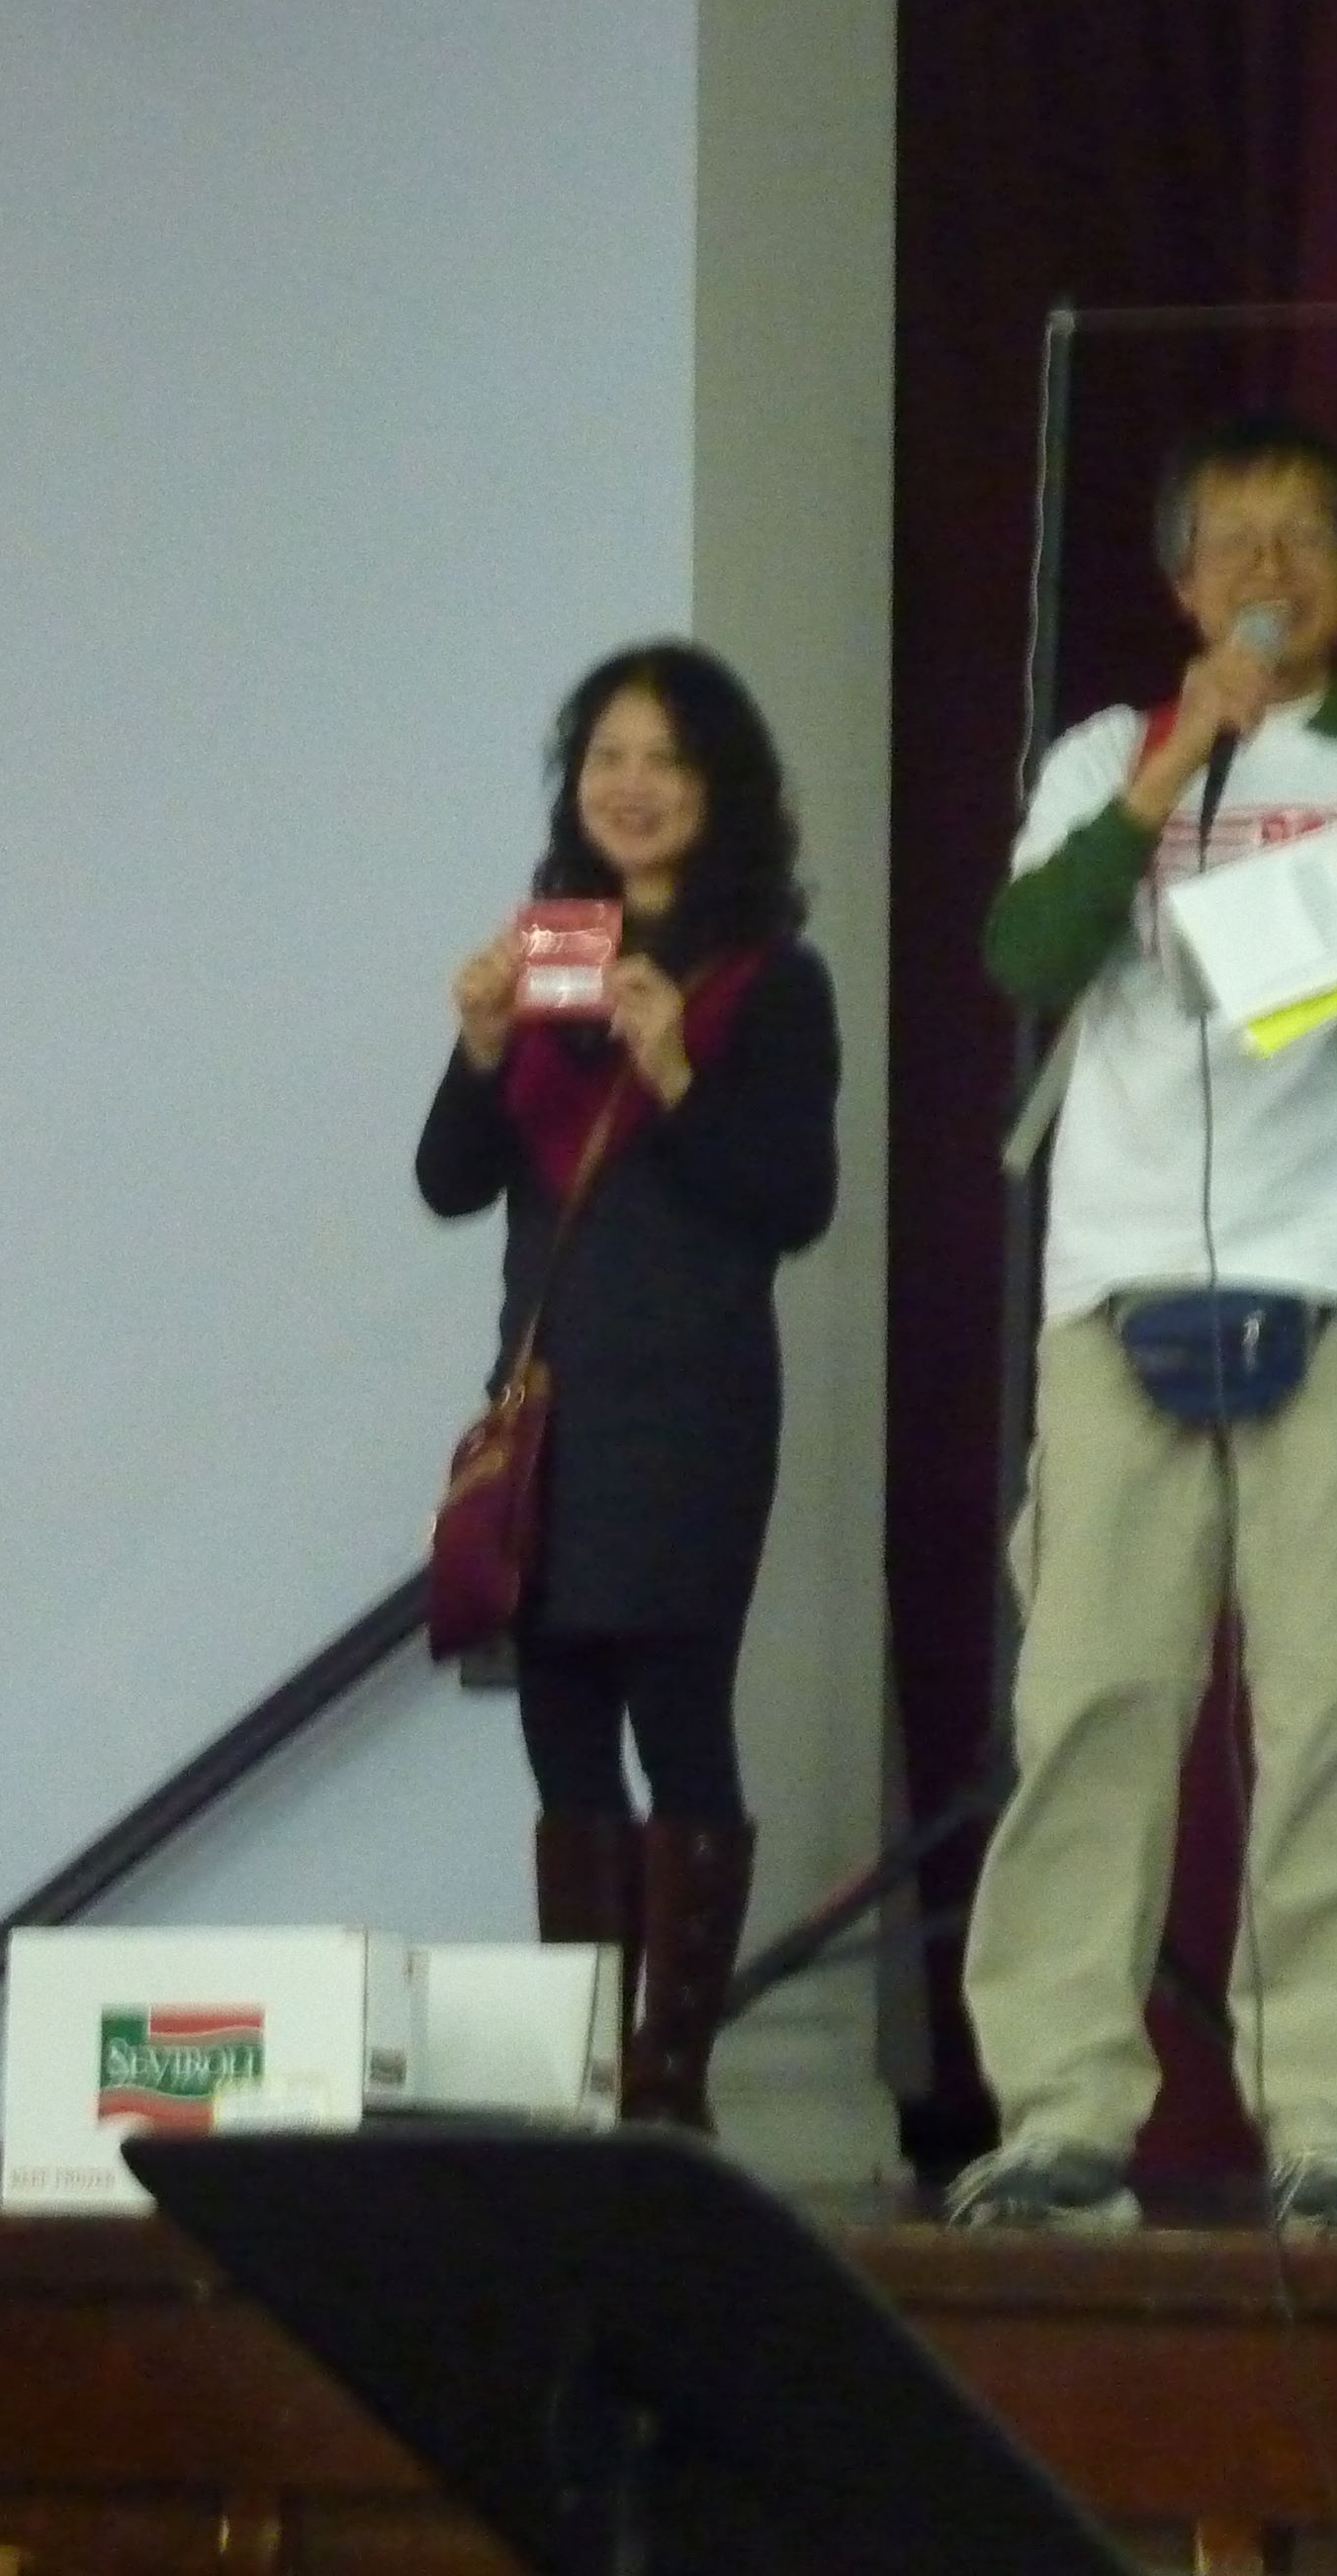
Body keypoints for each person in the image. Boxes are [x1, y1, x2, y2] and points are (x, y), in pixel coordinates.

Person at [946, 413, 1337, 2238]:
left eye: (1303, 539)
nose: (1267, 572)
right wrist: (1167, 778)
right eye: (1232, 541)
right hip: (1122, 1278)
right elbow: (1024, 958)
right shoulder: (1102, 756)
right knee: (1090, 1697)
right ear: (1179, 583)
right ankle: (1061, 2113)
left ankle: (1333, 2130)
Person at [416, 639, 840, 2134]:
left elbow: (791, 1200)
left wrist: (674, 1069)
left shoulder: (770, 980)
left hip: (691, 1409)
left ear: (720, 789)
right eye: (608, 757)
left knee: (680, 1715)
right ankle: (585, 2075)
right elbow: (448, 1182)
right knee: (562, 1728)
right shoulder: (552, 958)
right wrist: (481, 1047)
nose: (633, 785)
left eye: (666, 760)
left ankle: (671, 2085)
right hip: (552, 1412)